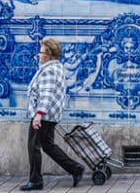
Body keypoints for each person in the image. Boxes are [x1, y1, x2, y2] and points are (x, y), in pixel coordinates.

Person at [21, 38, 84, 191]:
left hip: (44, 115)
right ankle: (75, 168)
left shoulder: (49, 70)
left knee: (33, 146)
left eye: (41, 52)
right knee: (48, 145)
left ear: (48, 55)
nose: (39, 55)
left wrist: (38, 115)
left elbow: (47, 94)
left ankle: (36, 181)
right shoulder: (57, 68)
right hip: (51, 115)